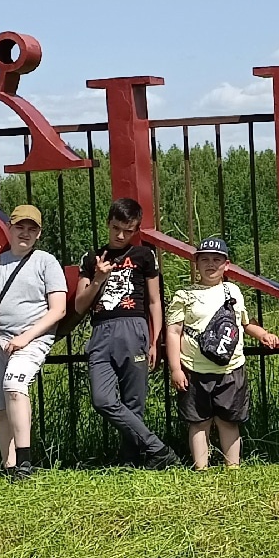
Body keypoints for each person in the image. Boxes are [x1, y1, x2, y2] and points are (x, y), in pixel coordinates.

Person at [69, 197, 180, 468]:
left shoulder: (144, 256)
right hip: (102, 331)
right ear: (108, 223)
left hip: (135, 328)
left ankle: (130, 461)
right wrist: (98, 278)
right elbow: (80, 305)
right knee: (102, 399)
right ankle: (158, 448)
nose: (120, 235)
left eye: (128, 230)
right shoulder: (92, 258)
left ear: (136, 230)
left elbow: (155, 301)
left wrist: (155, 341)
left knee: (134, 402)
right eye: (116, 228)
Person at [166, 236, 279, 469]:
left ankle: (233, 468)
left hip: (231, 368)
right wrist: (176, 368)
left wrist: (263, 335)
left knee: (229, 421)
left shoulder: (233, 291)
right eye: (204, 259)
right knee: (199, 422)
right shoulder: (183, 295)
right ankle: (201, 469)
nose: (210, 264)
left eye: (216, 260)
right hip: (194, 369)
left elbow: (244, 323)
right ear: (196, 263)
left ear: (226, 265)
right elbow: (173, 332)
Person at [0, 203, 69, 480]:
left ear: (38, 234)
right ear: (10, 229)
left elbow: (58, 309)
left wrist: (25, 337)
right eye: (20, 227)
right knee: (0, 405)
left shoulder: (45, 262)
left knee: (14, 387)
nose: (25, 233)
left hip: (31, 339)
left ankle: (25, 460)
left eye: (32, 229)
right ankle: (11, 466)